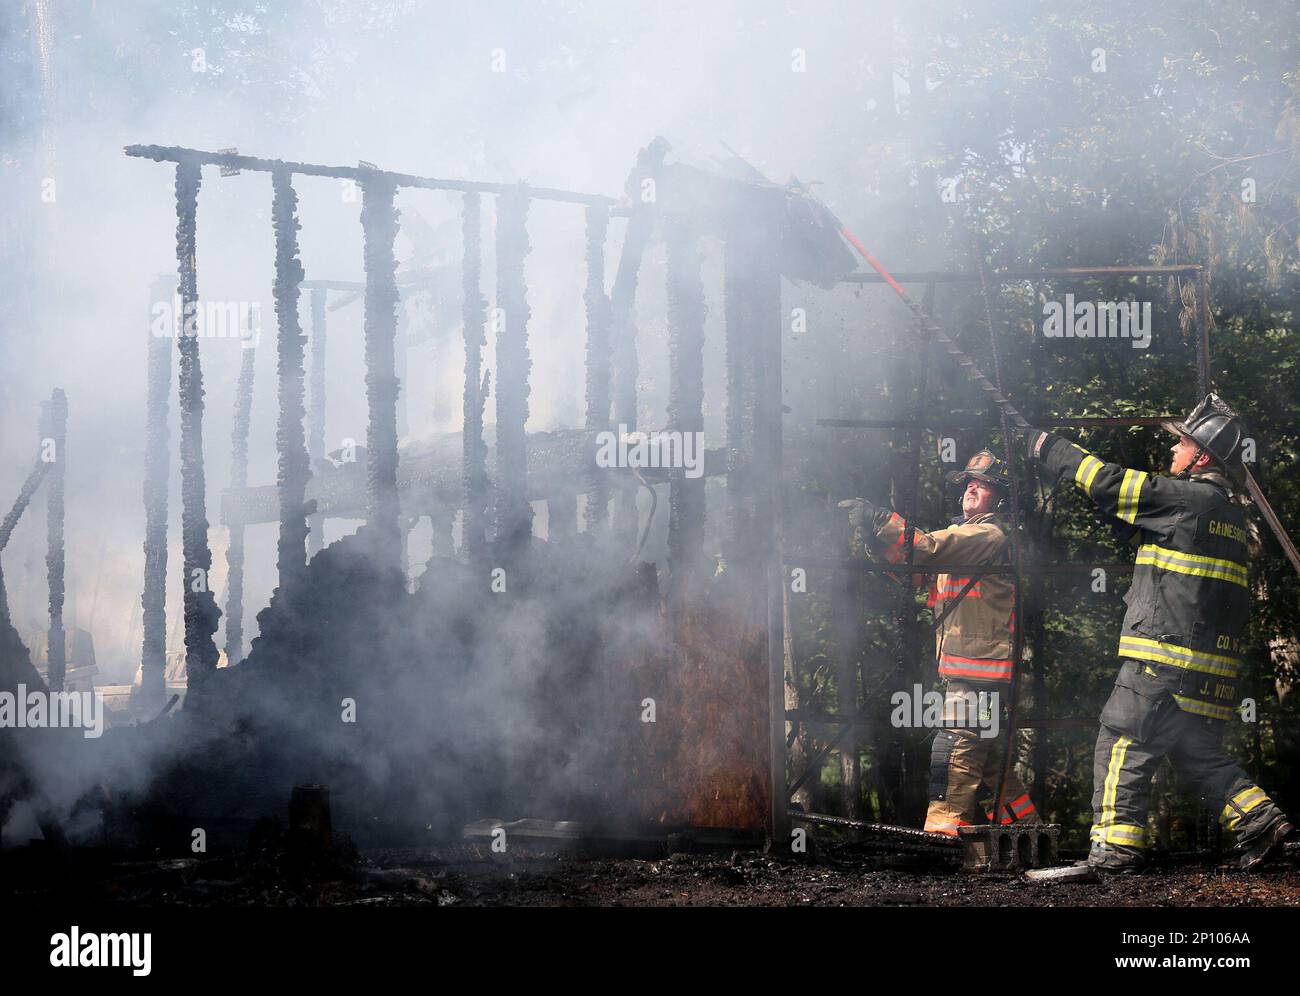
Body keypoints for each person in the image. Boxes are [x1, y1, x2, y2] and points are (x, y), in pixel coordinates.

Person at [1026, 393, 1293, 871]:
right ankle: (1264, 823)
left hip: (1163, 662)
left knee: (1121, 740)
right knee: (1196, 754)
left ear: (1203, 456)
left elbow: (1106, 482)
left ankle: (1114, 851)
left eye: (1182, 445)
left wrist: (1047, 447)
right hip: (1210, 675)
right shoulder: (1228, 515)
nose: (1173, 452)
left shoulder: (1184, 498)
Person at [841, 449, 1040, 835]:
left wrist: (880, 520)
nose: (971, 490)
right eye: (969, 483)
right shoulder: (967, 543)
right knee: (988, 766)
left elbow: (928, 548)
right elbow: (916, 576)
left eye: (983, 486)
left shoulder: (989, 534)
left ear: (1001, 499)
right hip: (975, 671)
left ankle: (942, 837)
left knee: (955, 752)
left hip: (980, 672)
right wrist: (876, 542)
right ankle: (1028, 836)